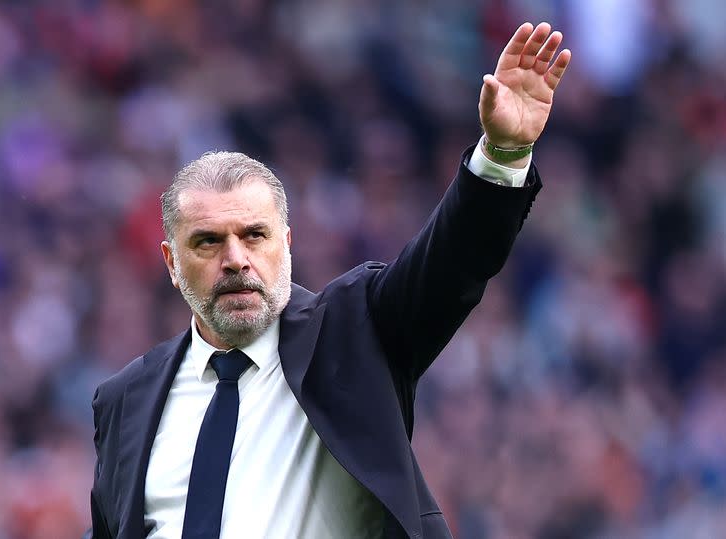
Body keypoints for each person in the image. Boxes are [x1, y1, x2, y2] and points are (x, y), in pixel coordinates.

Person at [86, 22, 571, 539]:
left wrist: (501, 155)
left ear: (287, 245)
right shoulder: (126, 399)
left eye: (254, 236)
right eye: (208, 242)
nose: (235, 259)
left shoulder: (352, 332)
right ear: (170, 262)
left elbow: (451, 265)